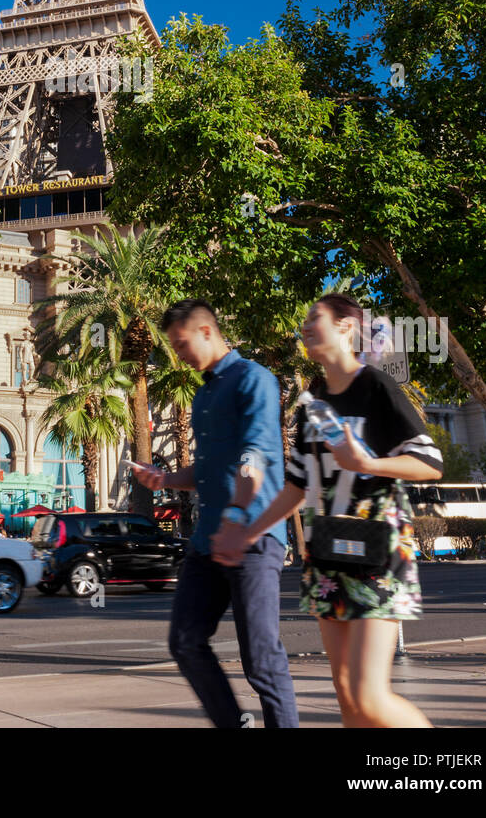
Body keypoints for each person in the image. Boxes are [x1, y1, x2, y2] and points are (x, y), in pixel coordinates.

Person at [221, 293, 443, 728]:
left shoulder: (375, 386)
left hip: (379, 552)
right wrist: (248, 531)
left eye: (314, 317)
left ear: (345, 327)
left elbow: (430, 461)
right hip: (327, 558)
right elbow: (298, 485)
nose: (305, 326)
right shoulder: (312, 402)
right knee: (346, 696)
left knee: (370, 697)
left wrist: (369, 464)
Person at [133, 299, 299, 729]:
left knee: (261, 661)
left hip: (252, 537)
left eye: (182, 343)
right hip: (208, 540)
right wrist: (165, 480)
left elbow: (255, 454)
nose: (179, 355)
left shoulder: (253, 379)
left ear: (207, 332)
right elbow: (207, 472)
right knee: (185, 641)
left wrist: (239, 516)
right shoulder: (204, 393)